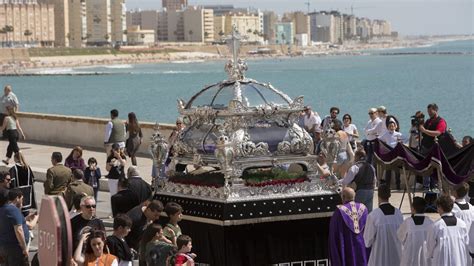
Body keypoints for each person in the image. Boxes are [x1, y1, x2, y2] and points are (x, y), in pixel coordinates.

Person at [363, 184, 403, 266]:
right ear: (390, 195)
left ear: (378, 195)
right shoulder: (398, 214)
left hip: (379, 258)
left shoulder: (374, 215)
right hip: (396, 257)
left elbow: (367, 242)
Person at [328, 187, 369, 266]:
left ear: (343, 197)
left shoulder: (339, 211)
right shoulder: (364, 209)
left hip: (347, 249)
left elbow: (333, 235)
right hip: (362, 249)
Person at [426, 194, 469, 265]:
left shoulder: (436, 226)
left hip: (441, 260)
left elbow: (430, 246)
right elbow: (466, 242)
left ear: (440, 207)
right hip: (458, 260)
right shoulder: (462, 224)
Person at [397, 196, 434, 266]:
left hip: (410, 258)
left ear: (413, 209)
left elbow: (400, 237)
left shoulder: (408, 222)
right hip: (425, 258)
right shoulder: (430, 223)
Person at [419, 103, 447, 191]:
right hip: (425, 148)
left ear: (436, 110)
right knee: (426, 167)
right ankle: (426, 186)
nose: (429, 113)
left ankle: (434, 186)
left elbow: (438, 132)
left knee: (434, 168)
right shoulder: (428, 121)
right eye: (428, 111)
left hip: (435, 148)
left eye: (431, 111)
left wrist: (425, 130)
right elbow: (423, 132)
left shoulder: (441, 121)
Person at [0, 188, 29, 266]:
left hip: (5, 247)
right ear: (17, 198)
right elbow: (19, 230)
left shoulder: (3, 209)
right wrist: (24, 248)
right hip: (14, 249)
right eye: (21, 199)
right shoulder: (13, 210)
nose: (22, 201)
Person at [378, 118, 404, 190]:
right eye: (390, 126)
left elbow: (406, 139)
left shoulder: (399, 134)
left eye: (393, 126)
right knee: (388, 170)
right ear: (388, 127)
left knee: (397, 170)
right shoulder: (386, 134)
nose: (391, 127)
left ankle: (398, 186)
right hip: (389, 153)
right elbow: (379, 139)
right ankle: (387, 186)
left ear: (395, 127)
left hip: (396, 153)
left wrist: (401, 142)